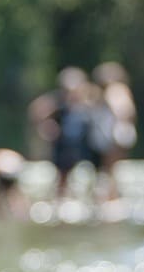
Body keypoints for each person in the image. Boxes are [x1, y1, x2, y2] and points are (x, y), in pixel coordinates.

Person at [28, 67, 96, 199]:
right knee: (62, 176)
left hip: (83, 145)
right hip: (64, 145)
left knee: (90, 175)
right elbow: (37, 112)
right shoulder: (57, 103)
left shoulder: (88, 102)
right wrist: (47, 128)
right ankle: (61, 200)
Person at [88, 61, 137, 202]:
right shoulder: (120, 89)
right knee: (113, 168)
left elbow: (123, 109)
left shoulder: (114, 90)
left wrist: (119, 121)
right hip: (118, 132)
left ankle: (110, 197)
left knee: (110, 167)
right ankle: (111, 196)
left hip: (114, 133)